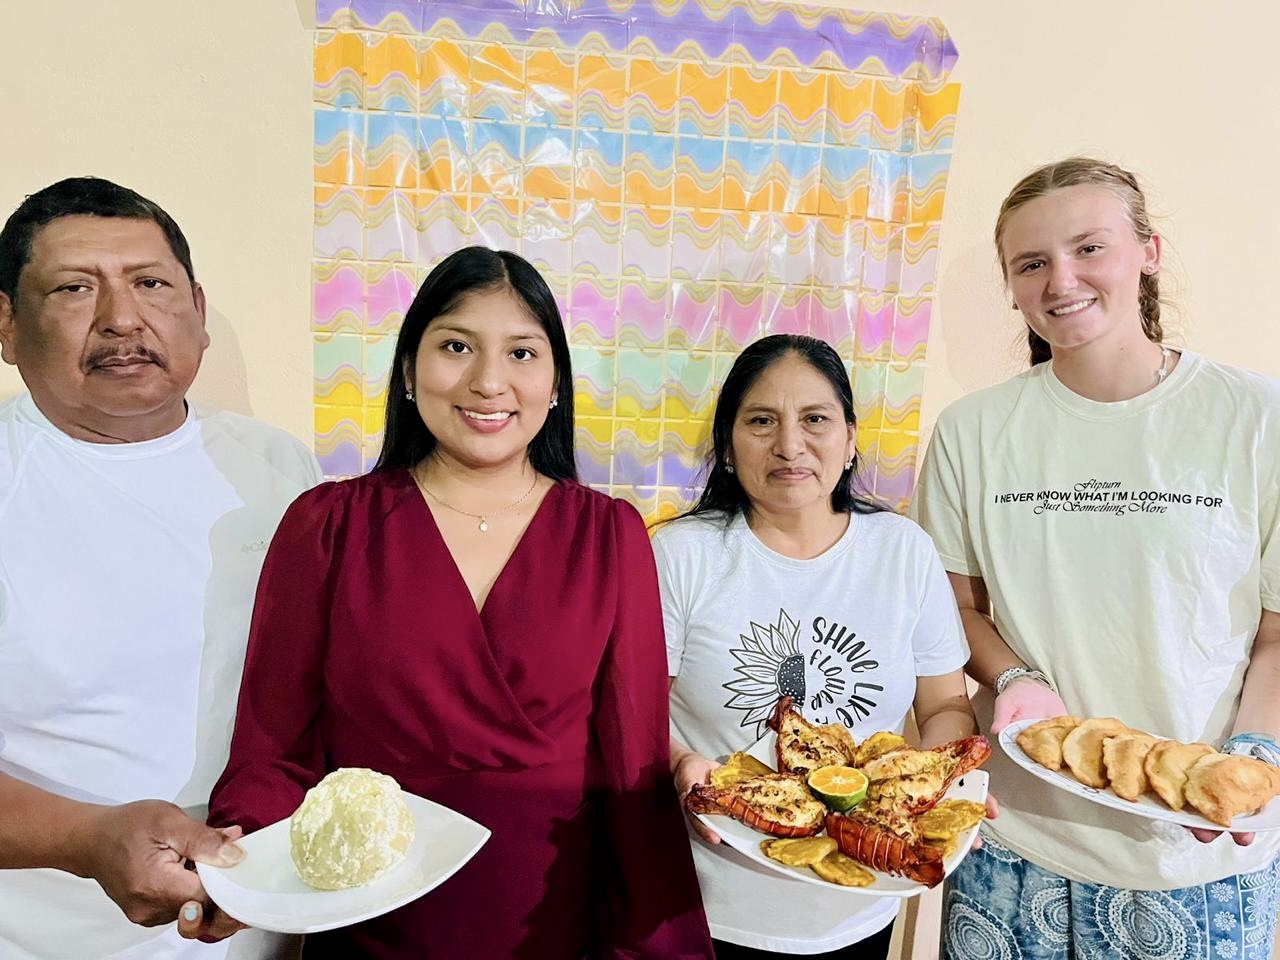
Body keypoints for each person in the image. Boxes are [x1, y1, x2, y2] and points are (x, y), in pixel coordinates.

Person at [207, 245, 713, 958]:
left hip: (549, 919)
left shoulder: (610, 534)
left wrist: (650, 943)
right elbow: (274, 744)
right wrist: (236, 857)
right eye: (455, 347)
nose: (488, 382)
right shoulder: (326, 526)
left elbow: (631, 763)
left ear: (556, 383)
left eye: (522, 353)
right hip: (369, 917)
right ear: (408, 370)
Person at [911, 158, 1280, 959]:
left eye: (1088, 248)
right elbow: (952, 609)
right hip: (1015, 843)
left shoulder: (1257, 418)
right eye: (1031, 263)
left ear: (1148, 251)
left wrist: (1255, 757)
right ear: (1011, 287)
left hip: (1193, 851)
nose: (1061, 280)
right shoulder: (972, 432)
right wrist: (1015, 676)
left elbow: (1276, 635)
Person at [0, 177, 321, 959]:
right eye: (74, 288)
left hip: (263, 936)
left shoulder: (277, 464)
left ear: (199, 313)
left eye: (150, 283)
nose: (122, 318)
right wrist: (84, 838)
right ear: (6, 324)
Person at [656, 334, 980, 958]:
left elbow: (945, 705)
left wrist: (938, 782)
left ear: (851, 438)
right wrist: (678, 763)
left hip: (861, 898)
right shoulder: (681, 554)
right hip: (704, 899)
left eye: (815, 419)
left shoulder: (903, 551)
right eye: (761, 421)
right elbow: (636, 712)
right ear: (728, 444)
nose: (789, 444)